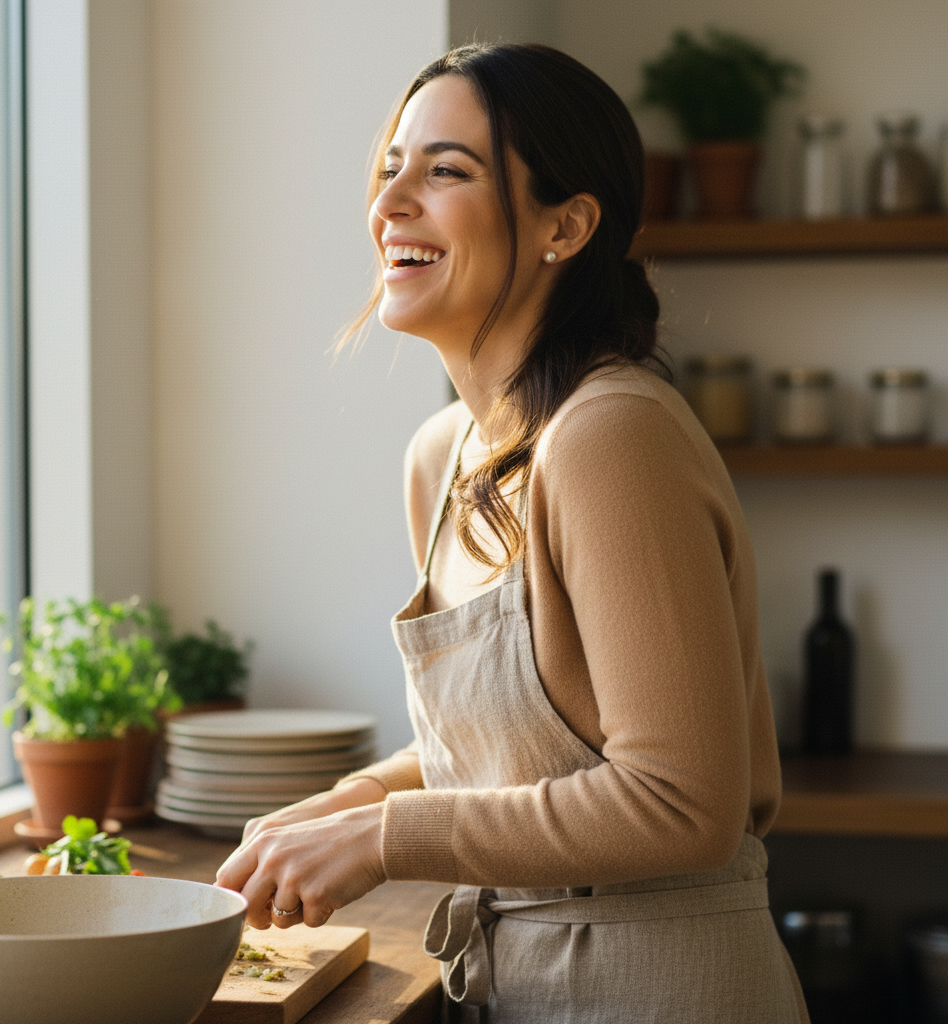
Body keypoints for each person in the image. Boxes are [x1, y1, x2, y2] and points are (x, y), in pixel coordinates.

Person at [216, 42, 809, 1023]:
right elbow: (499, 760)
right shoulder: (441, 455)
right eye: (389, 168)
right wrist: (341, 806)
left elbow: (682, 802)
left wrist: (381, 839)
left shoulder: (610, 434)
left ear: (564, 227)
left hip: (661, 988)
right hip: (515, 982)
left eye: (446, 171)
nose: (390, 202)